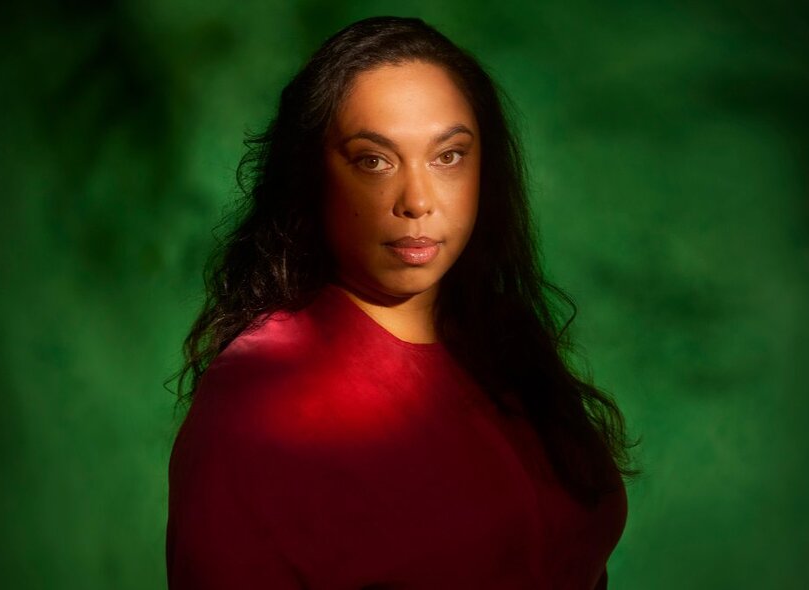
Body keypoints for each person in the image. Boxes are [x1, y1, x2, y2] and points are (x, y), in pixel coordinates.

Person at [166, 15, 633, 590]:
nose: (417, 200)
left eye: (448, 156)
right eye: (373, 160)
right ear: (310, 176)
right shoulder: (260, 397)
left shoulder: (500, 340)